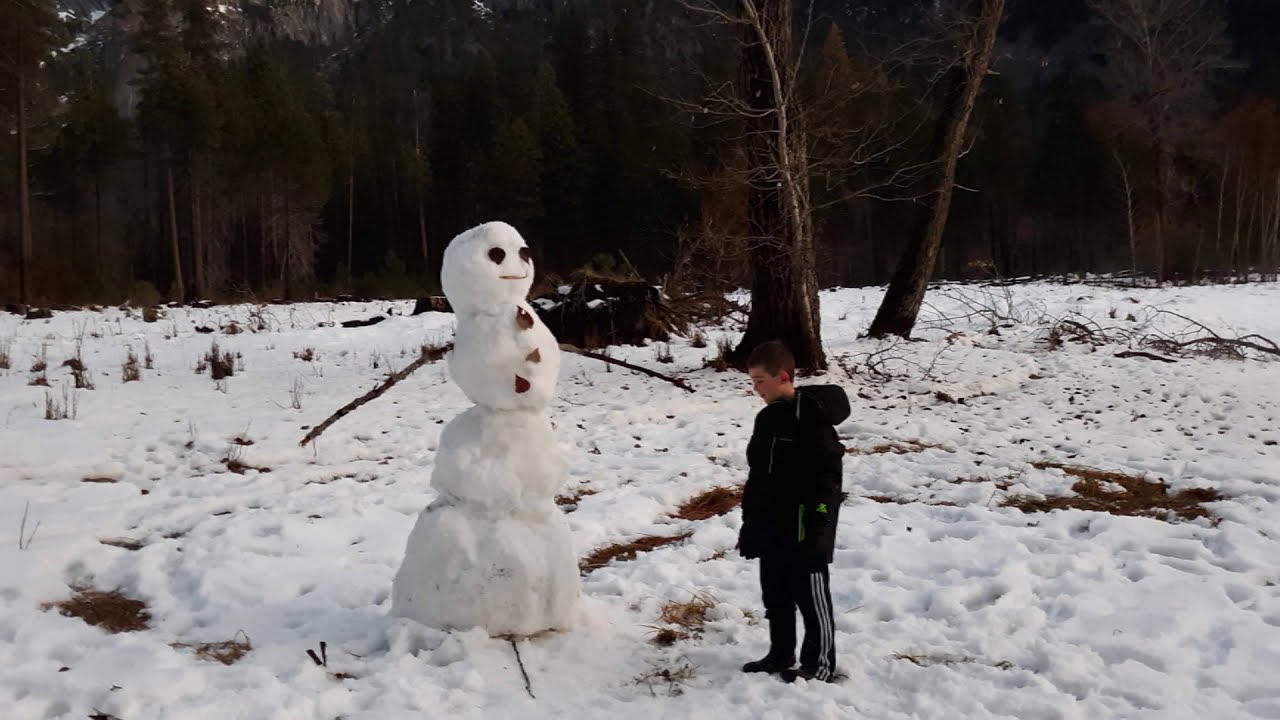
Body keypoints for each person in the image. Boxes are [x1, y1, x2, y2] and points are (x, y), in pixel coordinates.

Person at [737, 340, 850, 683]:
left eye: (760, 381)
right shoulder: (767, 418)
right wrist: (751, 523)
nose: (755, 389)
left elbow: (827, 477)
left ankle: (819, 664)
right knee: (776, 592)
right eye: (753, 381)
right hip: (772, 522)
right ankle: (780, 652)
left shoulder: (812, 418)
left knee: (810, 594)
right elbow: (759, 475)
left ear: (782, 377)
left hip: (806, 523)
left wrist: (818, 518)